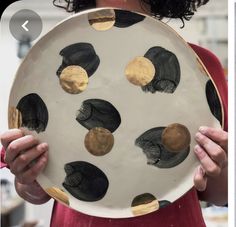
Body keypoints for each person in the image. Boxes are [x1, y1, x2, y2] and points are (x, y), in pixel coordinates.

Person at [1, 0, 228, 226]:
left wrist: (222, 168)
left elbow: (222, 194)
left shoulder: (200, 67)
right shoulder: (43, 66)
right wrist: (29, 179)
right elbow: (37, 192)